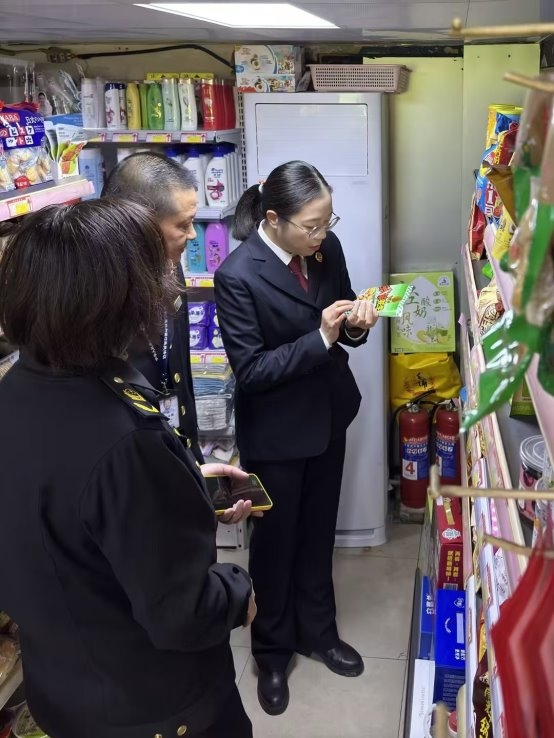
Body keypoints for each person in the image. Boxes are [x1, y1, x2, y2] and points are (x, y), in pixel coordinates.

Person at [0, 199, 255, 738]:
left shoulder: (17, 390)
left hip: (63, 693)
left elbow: (67, 522)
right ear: (118, 302)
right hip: (157, 708)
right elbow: (182, 612)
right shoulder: (124, 438)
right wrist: (239, 592)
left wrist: (181, 488)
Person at [214, 160, 379, 716]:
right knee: (275, 544)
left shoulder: (325, 249)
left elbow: (343, 314)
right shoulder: (238, 275)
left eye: (328, 222)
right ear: (274, 219)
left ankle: (320, 633)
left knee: (317, 533)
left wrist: (355, 324)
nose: (322, 234)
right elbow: (252, 371)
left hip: (328, 417)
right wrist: (322, 337)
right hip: (277, 433)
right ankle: (272, 652)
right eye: (312, 226)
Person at [102, 151, 251, 524]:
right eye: (183, 225)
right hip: (134, 486)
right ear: (137, 223)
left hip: (176, 452)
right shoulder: (97, 300)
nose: (192, 235)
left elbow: (178, 374)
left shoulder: (169, 268)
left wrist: (195, 473)